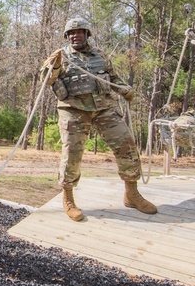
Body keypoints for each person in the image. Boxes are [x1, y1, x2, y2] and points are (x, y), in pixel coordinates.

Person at [39, 17, 157, 221]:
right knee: (72, 153)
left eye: (80, 32)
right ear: (67, 37)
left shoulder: (100, 56)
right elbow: (46, 80)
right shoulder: (60, 56)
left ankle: (132, 194)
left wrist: (125, 90)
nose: (76, 35)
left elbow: (112, 78)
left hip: (103, 108)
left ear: (87, 35)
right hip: (73, 109)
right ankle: (68, 198)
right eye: (71, 33)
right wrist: (55, 67)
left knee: (126, 144)